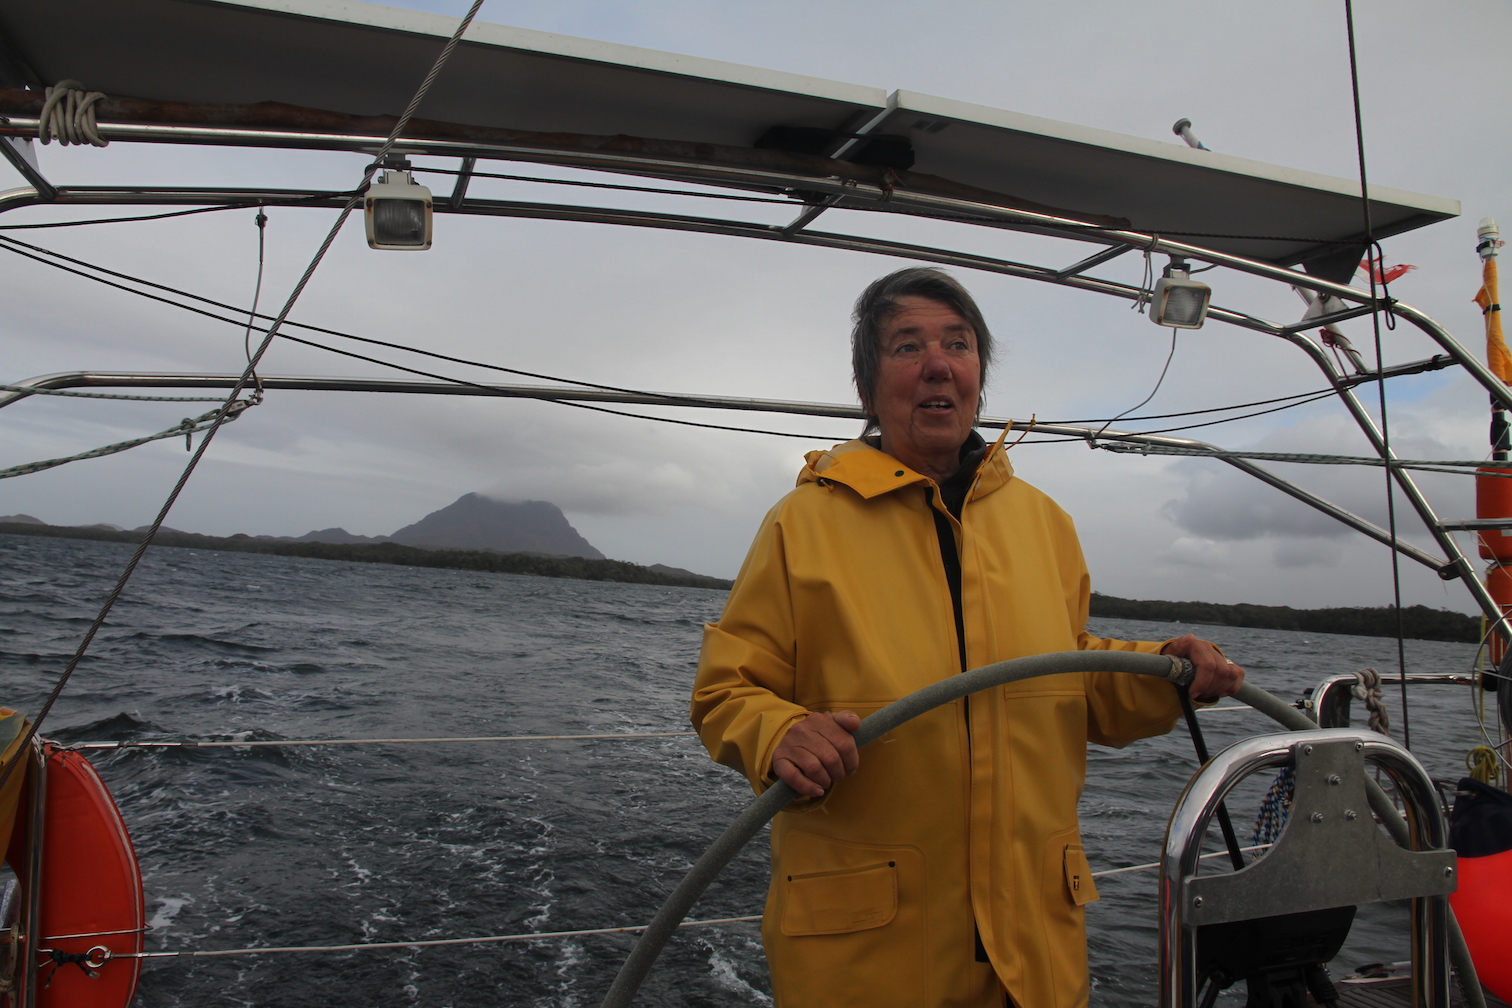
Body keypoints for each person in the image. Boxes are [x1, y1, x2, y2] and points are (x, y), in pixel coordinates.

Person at [690, 267, 1244, 1008]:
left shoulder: (1044, 523)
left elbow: (1073, 674)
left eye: (959, 344)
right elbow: (727, 690)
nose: (938, 365)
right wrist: (780, 733)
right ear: (867, 388)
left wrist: (1165, 670)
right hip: (870, 959)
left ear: (979, 376)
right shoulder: (802, 524)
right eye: (907, 346)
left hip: (1033, 951)